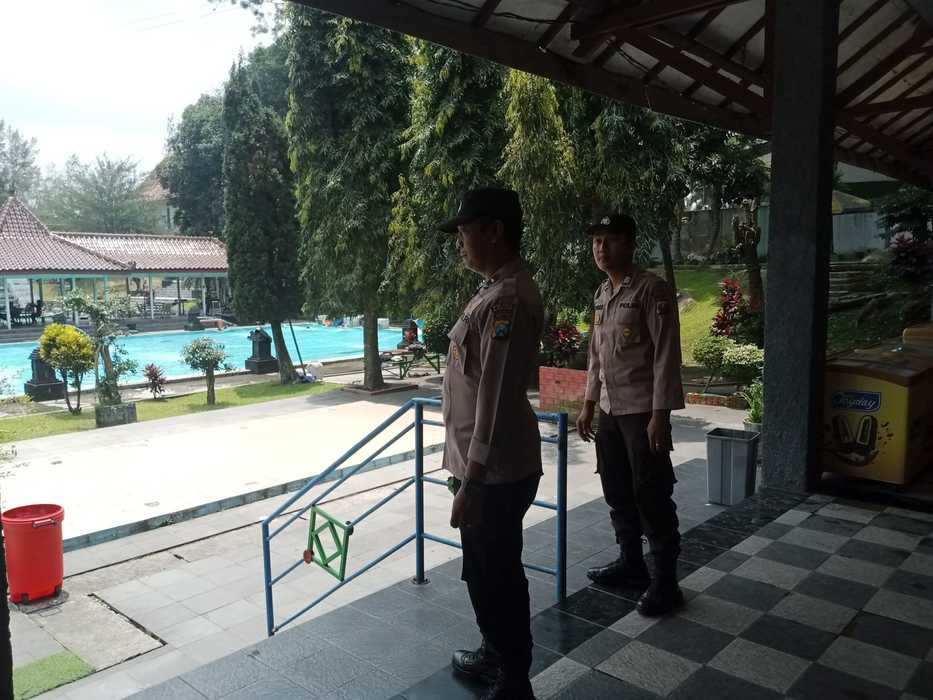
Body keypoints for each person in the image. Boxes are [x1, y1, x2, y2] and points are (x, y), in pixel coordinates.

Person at [438, 187, 544, 700]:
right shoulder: (491, 291)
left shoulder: (507, 300)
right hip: (481, 470)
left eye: (465, 231)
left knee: (498, 573)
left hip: (495, 473)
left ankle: (515, 677)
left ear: (495, 231)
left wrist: (473, 482)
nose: (460, 242)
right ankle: (494, 652)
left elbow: (496, 398)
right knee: (481, 569)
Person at [576, 212, 686, 617]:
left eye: (610, 239)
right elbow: (596, 354)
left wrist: (661, 415)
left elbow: (666, 356)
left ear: (630, 244)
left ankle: (666, 583)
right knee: (617, 489)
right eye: (596, 241)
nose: (601, 248)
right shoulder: (602, 293)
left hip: (642, 413)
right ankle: (631, 563)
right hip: (610, 410)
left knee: (651, 494)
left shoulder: (651, 290)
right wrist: (589, 403)